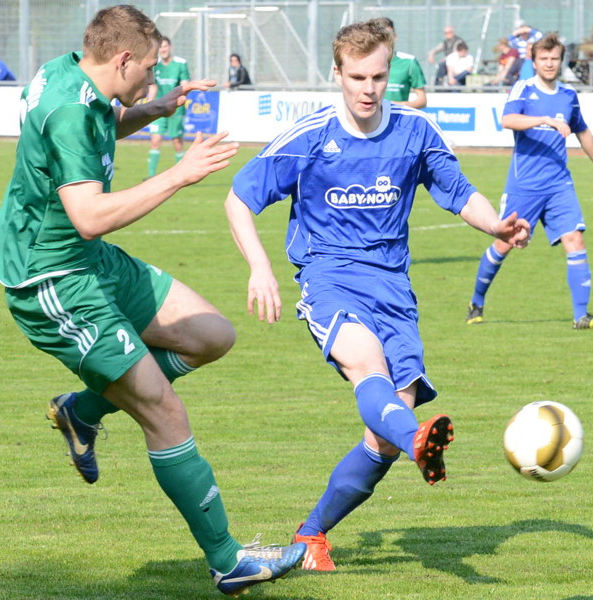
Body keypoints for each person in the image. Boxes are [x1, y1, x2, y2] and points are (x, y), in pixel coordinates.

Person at [0, 5, 304, 596]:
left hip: (89, 262)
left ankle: (82, 411)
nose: (155, 77)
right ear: (124, 58)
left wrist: (153, 109)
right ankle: (227, 559)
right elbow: (89, 215)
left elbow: (101, 121)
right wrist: (180, 174)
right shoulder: (69, 110)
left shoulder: (68, 71)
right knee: (164, 411)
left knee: (211, 335)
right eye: (151, 69)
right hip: (52, 280)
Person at [225, 20, 530, 571]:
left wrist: (497, 226)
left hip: (394, 288)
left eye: (378, 77)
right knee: (368, 368)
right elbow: (239, 199)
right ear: (337, 74)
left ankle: (312, 535)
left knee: (383, 437)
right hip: (329, 277)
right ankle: (418, 443)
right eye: (357, 77)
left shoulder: (415, 130)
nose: (368, 89)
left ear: (391, 73)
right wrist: (259, 269)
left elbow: (458, 191)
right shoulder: (310, 137)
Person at [466, 32, 593, 330]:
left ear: (561, 61)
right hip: (525, 185)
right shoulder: (524, 88)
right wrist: (544, 120)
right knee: (504, 244)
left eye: (554, 58)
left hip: (559, 184)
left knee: (575, 239)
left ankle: (581, 316)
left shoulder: (568, 95)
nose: (549, 63)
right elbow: (507, 120)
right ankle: (476, 302)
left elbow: (582, 131)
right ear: (534, 61)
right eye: (543, 58)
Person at [146, 37, 190, 178]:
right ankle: (150, 176)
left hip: (176, 109)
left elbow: (185, 86)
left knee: (177, 142)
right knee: (155, 141)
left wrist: (180, 101)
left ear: (170, 47)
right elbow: (153, 86)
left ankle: (181, 175)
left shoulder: (181, 64)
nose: (163, 49)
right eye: (160, 47)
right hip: (159, 108)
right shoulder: (156, 65)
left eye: (165, 46)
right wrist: (149, 103)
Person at [372, 17, 426, 109]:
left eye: (388, 35)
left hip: (397, 117)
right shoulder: (364, 62)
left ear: (395, 36)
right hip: (371, 117)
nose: (385, 40)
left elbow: (422, 100)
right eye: (380, 36)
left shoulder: (409, 62)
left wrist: (397, 106)